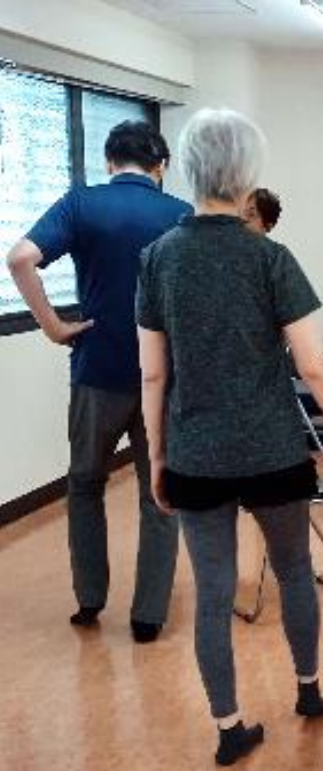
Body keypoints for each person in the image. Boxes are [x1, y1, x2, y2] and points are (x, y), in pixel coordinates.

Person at [136, 108, 323, 766]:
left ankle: (229, 727)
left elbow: (153, 372)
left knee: (214, 594)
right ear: (248, 175)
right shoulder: (270, 257)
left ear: (187, 170)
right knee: (295, 568)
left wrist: (157, 457)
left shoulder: (157, 259)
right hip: (272, 450)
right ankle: (308, 690)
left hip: (194, 456)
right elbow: (312, 366)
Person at [6, 121, 190, 642]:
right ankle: (148, 616)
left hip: (96, 374)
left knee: (85, 484)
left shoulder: (82, 204)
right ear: (160, 167)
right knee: (160, 493)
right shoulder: (182, 215)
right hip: (163, 380)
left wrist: (54, 328)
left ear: (110, 162)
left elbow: (20, 258)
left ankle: (89, 600)